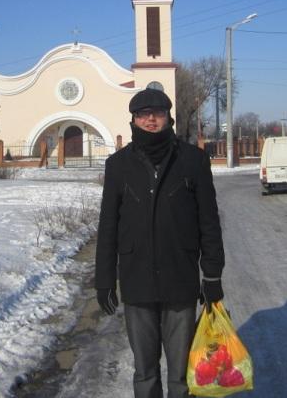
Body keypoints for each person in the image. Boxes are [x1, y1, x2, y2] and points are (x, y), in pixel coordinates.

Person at [95, 88, 225, 398]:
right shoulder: (118, 165)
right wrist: (104, 280)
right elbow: (108, 225)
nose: (151, 119)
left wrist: (212, 275)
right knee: (145, 373)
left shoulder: (193, 160)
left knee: (181, 373)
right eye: (143, 114)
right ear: (134, 120)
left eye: (158, 113)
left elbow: (208, 221)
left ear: (169, 118)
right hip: (137, 281)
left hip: (180, 281)